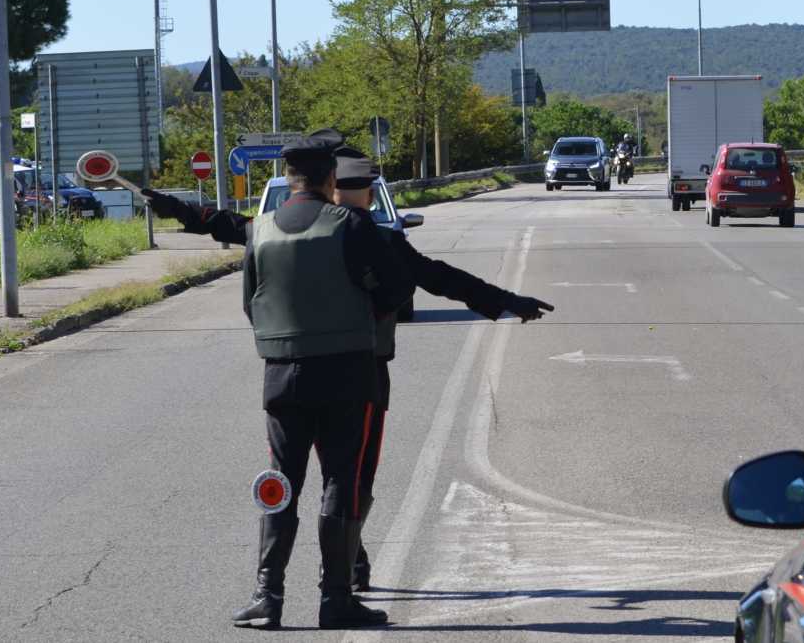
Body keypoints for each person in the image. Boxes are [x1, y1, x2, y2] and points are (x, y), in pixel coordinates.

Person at [143, 148, 554, 591]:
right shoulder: (363, 233)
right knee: (349, 478)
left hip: (286, 373)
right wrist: (503, 302)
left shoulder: (274, 229)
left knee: (294, 479)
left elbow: (225, 228)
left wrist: (173, 207)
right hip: (358, 374)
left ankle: (278, 588)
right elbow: (431, 278)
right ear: (336, 187)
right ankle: (341, 580)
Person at [233, 129, 414, 630]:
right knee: (341, 480)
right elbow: (397, 288)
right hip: (347, 373)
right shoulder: (349, 225)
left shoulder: (261, 229)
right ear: (331, 177)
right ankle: (336, 600)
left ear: (288, 178)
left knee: (280, 482)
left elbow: (251, 301)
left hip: (282, 374)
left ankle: (266, 597)